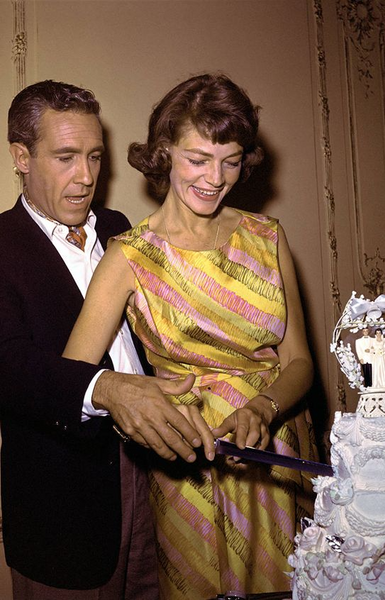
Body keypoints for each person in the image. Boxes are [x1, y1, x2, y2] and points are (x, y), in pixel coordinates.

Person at [63, 73, 317, 598]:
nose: (216, 178)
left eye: (230, 160)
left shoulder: (267, 236)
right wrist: (143, 416)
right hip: (189, 469)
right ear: (164, 152)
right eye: (198, 159)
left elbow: (300, 362)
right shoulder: (128, 255)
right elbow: (74, 380)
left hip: (276, 457)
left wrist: (264, 409)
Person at [0, 79, 215, 600]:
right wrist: (107, 389)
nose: (86, 177)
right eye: (66, 157)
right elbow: (9, 367)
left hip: (155, 482)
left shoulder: (119, 227)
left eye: (95, 157)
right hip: (62, 511)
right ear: (20, 157)